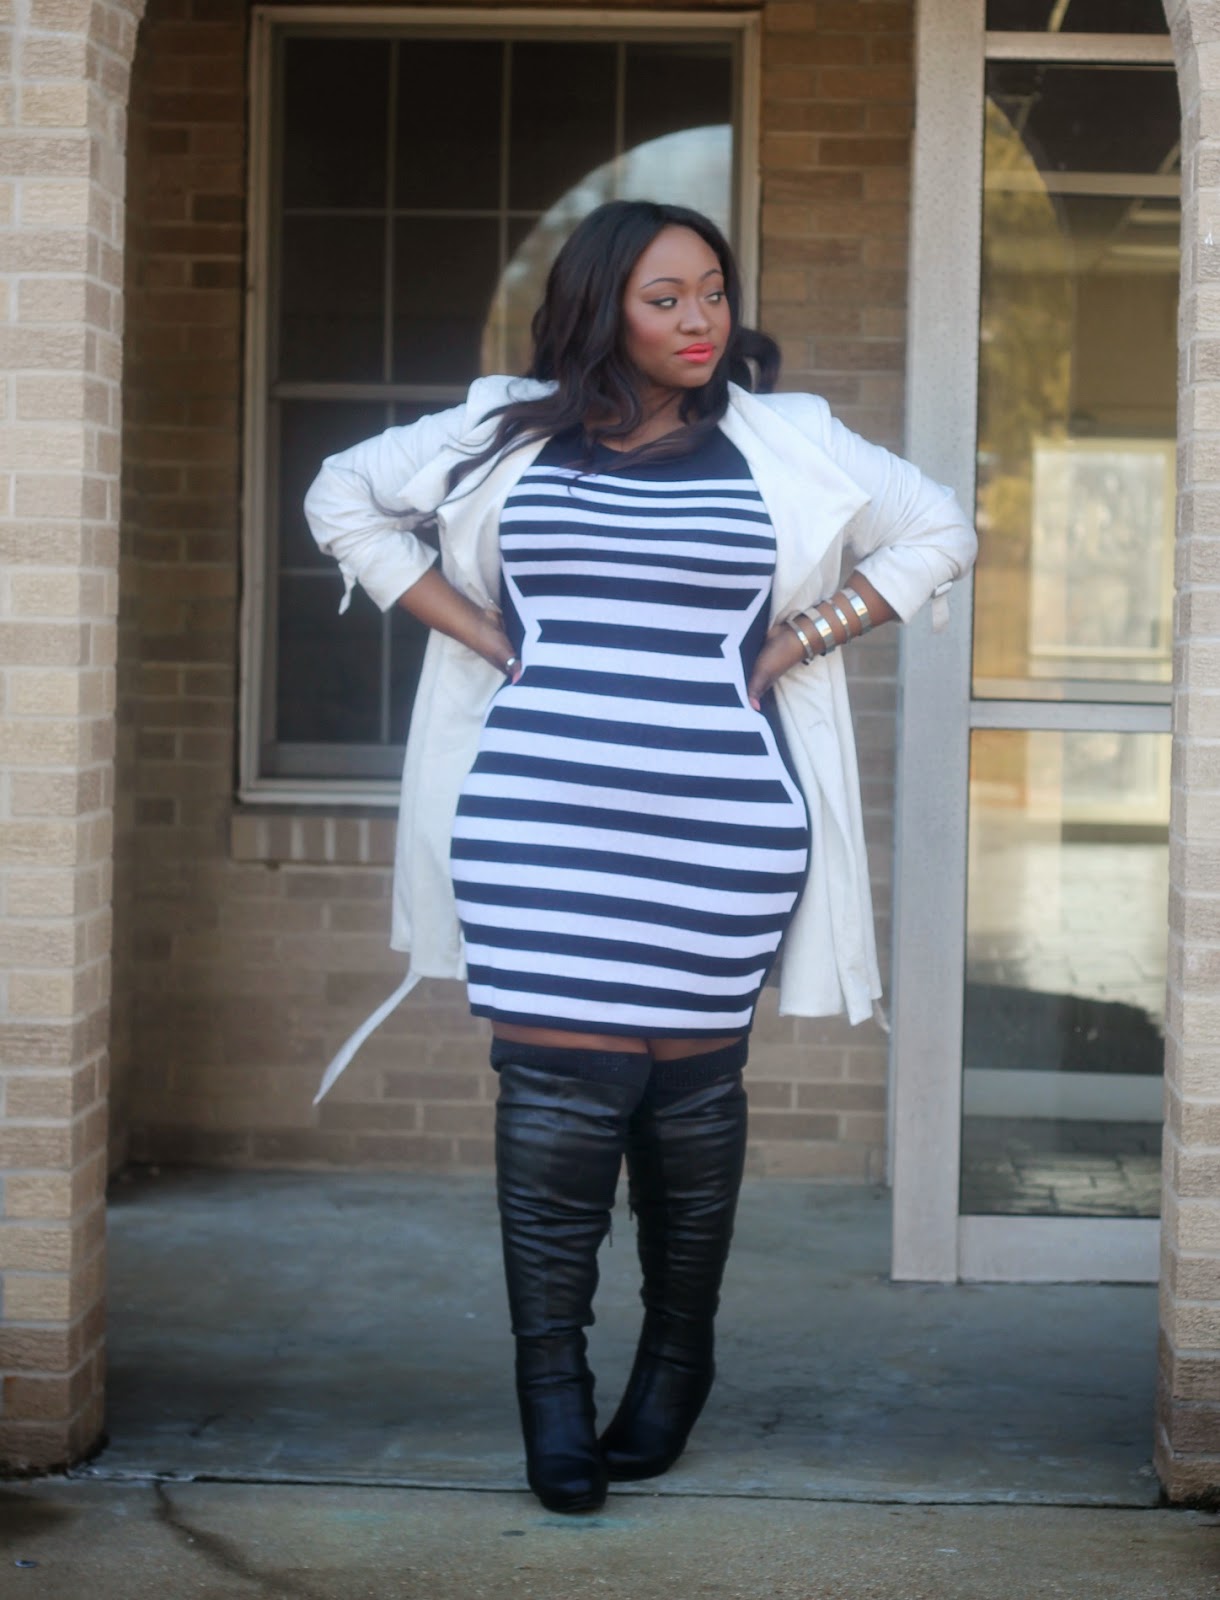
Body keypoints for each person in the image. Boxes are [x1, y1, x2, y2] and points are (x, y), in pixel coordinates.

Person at [304, 200, 977, 1515]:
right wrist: (481, 633)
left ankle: (676, 1364)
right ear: (602, 305)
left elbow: (938, 529)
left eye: (713, 292)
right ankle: (551, 1397)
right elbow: (344, 495)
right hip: (537, 817)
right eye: (665, 298)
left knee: (688, 1098)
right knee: (558, 1097)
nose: (698, 320)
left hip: (722, 822)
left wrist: (798, 639)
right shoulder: (505, 430)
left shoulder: (787, 438)